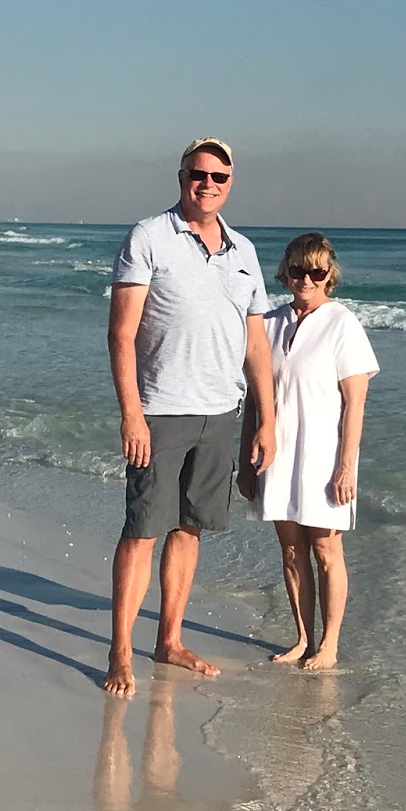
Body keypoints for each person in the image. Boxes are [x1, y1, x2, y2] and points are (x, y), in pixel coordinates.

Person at [104, 137, 276, 697]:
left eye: (218, 177)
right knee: (142, 531)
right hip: (161, 410)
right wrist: (132, 414)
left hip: (220, 411)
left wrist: (266, 419)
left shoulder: (243, 250)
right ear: (181, 177)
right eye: (197, 174)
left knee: (190, 527)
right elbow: (121, 334)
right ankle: (121, 652)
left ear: (231, 183)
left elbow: (256, 343)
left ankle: (169, 640)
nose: (207, 184)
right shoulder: (149, 236)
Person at [239, 233, 378, 670]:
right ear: (286, 271)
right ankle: (302, 638)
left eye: (316, 271)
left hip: (324, 456)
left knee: (325, 550)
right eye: (298, 269)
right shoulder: (269, 323)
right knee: (291, 551)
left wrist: (346, 467)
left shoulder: (343, 324)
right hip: (276, 453)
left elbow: (355, 403)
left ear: (329, 275)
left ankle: (329, 644)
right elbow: (254, 399)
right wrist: (245, 461)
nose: (306, 279)